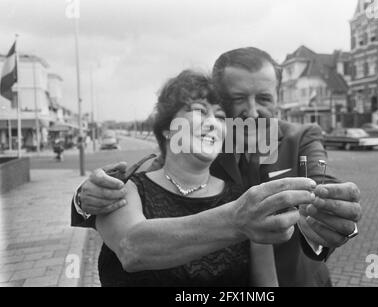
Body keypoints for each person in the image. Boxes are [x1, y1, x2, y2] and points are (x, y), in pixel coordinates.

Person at [72, 47, 362, 287]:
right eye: (237, 99)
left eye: (263, 98)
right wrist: (83, 200)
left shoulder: (301, 137)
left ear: (278, 97)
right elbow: (146, 177)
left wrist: (330, 215)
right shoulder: (204, 145)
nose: (251, 110)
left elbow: (322, 182)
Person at [96, 70, 294, 286]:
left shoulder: (244, 199)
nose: (212, 124)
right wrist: (237, 221)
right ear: (166, 129)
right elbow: (131, 249)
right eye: (200, 111)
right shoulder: (125, 190)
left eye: (220, 117)